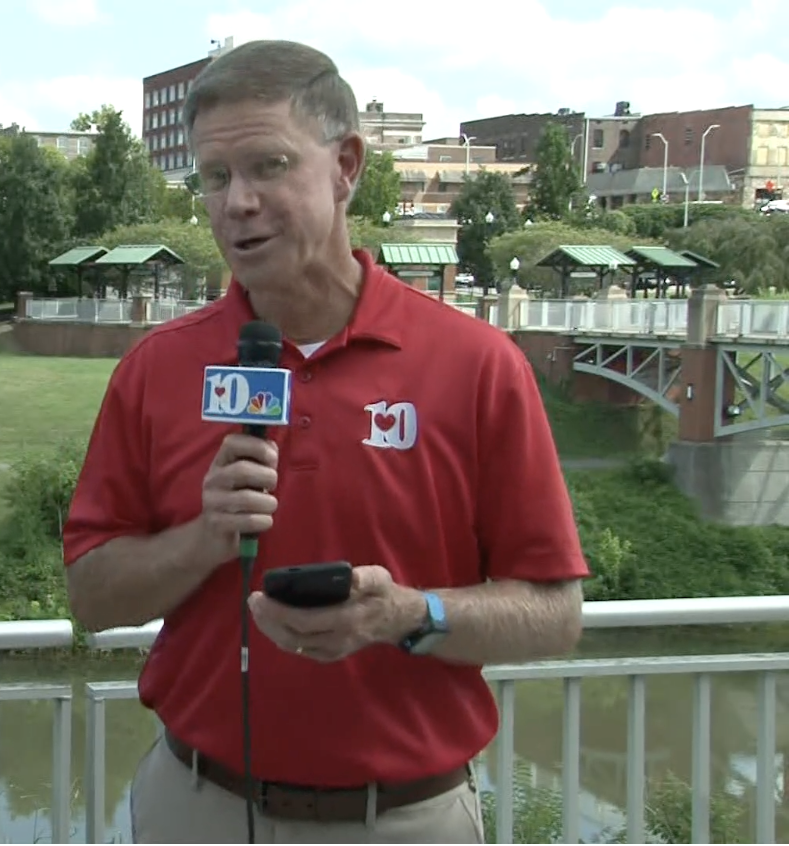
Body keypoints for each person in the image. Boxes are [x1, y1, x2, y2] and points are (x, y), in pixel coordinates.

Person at [61, 40, 588, 844]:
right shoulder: (154, 369)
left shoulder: (478, 367)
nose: (236, 202)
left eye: (268, 165)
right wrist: (205, 538)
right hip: (195, 807)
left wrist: (410, 613)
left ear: (346, 167)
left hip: (406, 819)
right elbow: (91, 600)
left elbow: (553, 615)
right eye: (215, 176)